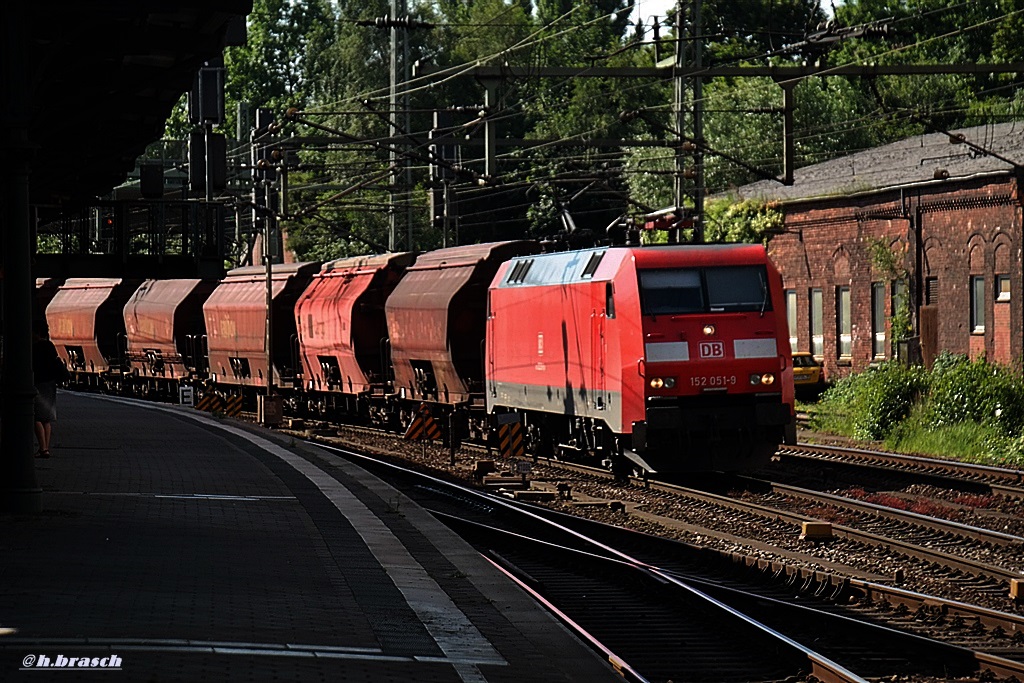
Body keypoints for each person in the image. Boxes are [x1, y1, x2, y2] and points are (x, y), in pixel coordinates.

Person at [32, 323, 63, 458]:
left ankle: (43, 448)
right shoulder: (50, 346)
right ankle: (46, 447)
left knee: (36, 417)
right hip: (50, 383)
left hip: (38, 383)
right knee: (46, 418)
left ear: (37, 333)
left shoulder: (34, 347)